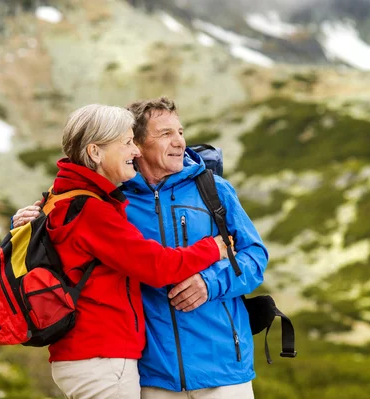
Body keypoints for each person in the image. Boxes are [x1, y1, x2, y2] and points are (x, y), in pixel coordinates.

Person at [14, 97, 268, 399]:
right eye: (165, 134)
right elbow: (61, 229)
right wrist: (24, 220)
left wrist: (209, 283)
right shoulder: (111, 200)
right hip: (150, 375)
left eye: (181, 132)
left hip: (224, 368)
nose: (180, 143)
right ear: (136, 143)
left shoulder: (214, 190)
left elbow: (255, 258)